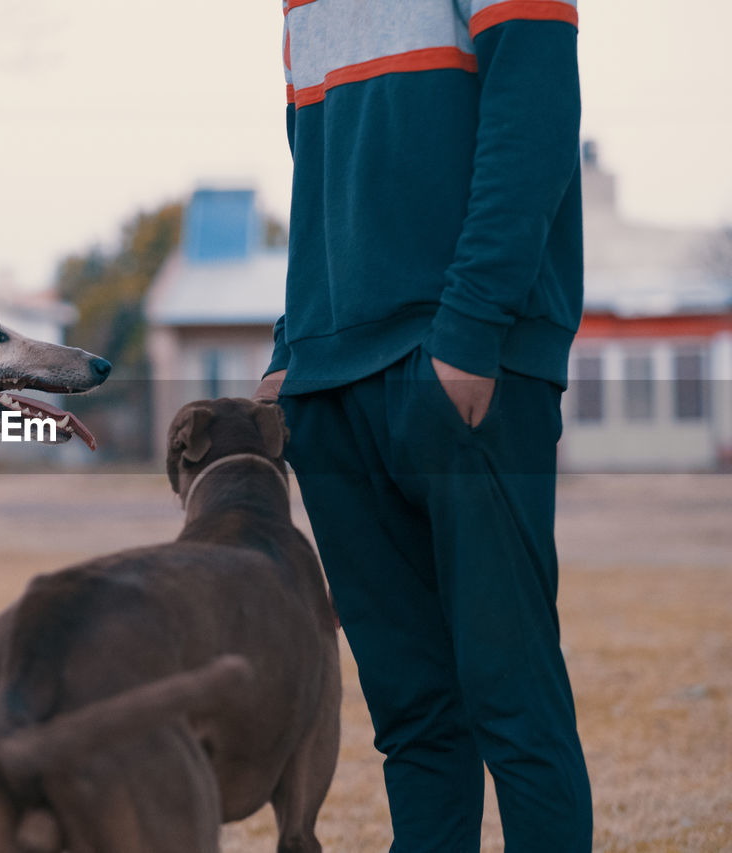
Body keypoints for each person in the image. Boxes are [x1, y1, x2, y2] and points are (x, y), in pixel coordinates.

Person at [253, 1, 593, 850]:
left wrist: (473, 327)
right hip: (332, 378)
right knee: (413, 717)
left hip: (461, 358)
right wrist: (292, 342)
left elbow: (535, 110)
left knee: (515, 700)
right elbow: (316, 163)